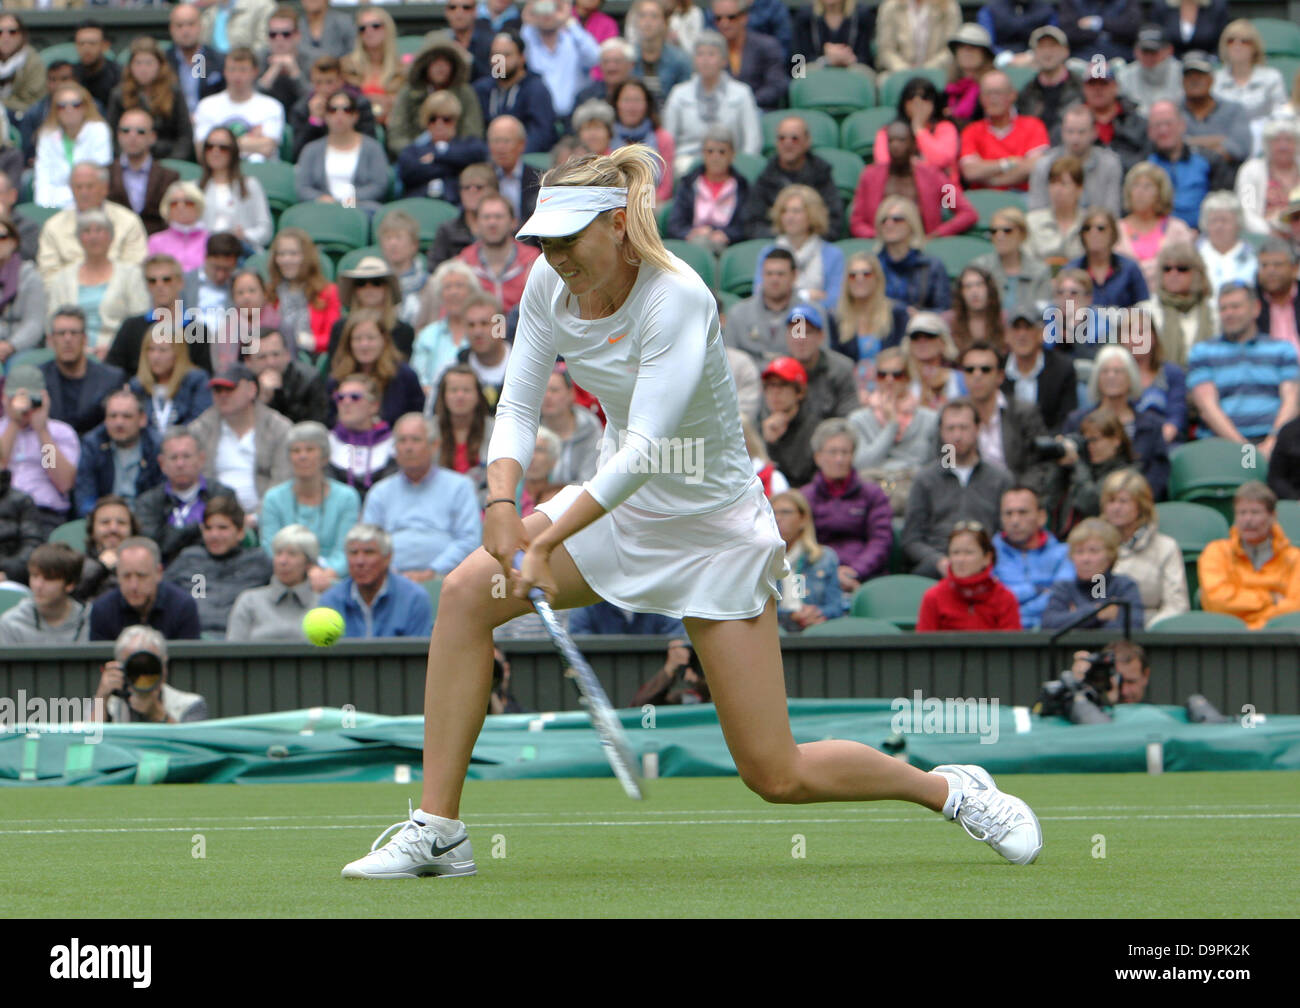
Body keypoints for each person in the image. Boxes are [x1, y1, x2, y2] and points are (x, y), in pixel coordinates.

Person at [340, 143, 1043, 880]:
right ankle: (441, 831)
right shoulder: (548, 285)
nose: (554, 255)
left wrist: (547, 541)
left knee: (777, 774)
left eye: (568, 238)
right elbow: (516, 403)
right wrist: (500, 502)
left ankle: (951, 791)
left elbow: (646, 449)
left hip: (713, 530)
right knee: (462, 596)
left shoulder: (679, 296)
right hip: (618, 512)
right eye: (542, 240)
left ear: (616, 225)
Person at [901, 398, 1014, 579]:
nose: (957, 436)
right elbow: (911, 540)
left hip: (987, 566)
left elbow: (1007, 534)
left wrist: (983, 559)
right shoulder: (926, 479)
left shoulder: (1000, 479)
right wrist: (938, 561)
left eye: (964, 427)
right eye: (950, 429)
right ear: (941, 432)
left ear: (977, 429)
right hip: (938, 566)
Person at [1188, 282, 1300, 451]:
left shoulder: (1282, 349)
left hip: (1275, 441)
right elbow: (1207, 408)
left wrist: (1272, 442)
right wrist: (1246, 450)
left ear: (1256, 308)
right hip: (1221, 443)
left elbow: (1292, 401)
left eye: (1236, 307)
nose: (1229, 313)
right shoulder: (1202, 352)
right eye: (1223, 308)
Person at [259, 420, 358, 593]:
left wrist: (325, 574)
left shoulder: (347, 497)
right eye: (296, 451)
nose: (302, 456)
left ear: (325, 457)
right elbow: (270, 547)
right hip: (286, 577)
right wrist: (304, 572)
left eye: (310, 450)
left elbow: (346, 549)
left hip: (333, 581)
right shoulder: (273, 498)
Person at [800, 418, 892, 597]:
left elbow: (881, 541)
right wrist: (827, 572)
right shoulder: (804, 497)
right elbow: (800, 543)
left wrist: (854, 571)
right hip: (815, 577)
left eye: (845, 452)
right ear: (818, 457)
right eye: (833, 452)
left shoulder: (872, 494)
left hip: (863, 577)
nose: (840, 459)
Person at [187, 363, 293, 518]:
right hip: (213, 519)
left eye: (230, 389)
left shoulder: (279, 428)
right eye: (217, 390)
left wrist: (256, 518)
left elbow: (282, 481)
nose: (223, 395)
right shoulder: (199, 430)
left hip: (267, 516)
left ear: (252, 389)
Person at [164, 493, 272, 638]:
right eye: (208, 528)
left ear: (240, 532)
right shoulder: (188, 558)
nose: (214, 535)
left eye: (222, 528)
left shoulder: (259, 562)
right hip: (192, 639)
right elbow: (163, 593)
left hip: (242, 642)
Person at [850, 120, 977, 239]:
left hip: (923, 248)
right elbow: (857, 222)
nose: (895, 145)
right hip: (880, 249)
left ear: (914, 144)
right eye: (891, 141)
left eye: (901, 140)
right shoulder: (870, 176)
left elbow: (966, 213)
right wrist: (877, 237)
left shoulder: (933, 176)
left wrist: (937, 235)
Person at [1200, 480, 1300, 628]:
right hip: (1227, 638)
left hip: (1277, 640)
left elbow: (1295, 607)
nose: (1248, 520)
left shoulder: (1294, 558)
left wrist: (1253, 624)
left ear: (1272, 516)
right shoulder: (1216, 552)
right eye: (1242, 512)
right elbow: (1216, 601)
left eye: (1255, 512)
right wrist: (1270, 598)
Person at [133, 429, 238, 567]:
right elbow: (156, 546)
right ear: (162, 464)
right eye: (174, 457)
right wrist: (196, 528)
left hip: (216, 568)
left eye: (186, 456)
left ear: (201, 459)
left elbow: (229, 541)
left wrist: (174, 536)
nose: (180, 464)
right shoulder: (147, 502)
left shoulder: (222, 495)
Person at [960, 341, 1055, 494]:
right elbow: (945, 461)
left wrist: (1020, 493)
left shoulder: (1024, 413)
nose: (977, 375)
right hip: (969, 499)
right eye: (970, 370)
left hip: (1016, 496)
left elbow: (1041, 464)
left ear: (1000, 376)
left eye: (985, 370)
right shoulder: (952, 417)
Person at [662, 30, 762, 175]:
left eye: (711, 54)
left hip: (731, 163)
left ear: (724, 60)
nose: (705, 60)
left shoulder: (742, 93)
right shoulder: (679, 93)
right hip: (686, 164)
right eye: (700, 54)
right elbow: (668, 139)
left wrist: (744, 166)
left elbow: (752, 140)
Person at [1101, 468, 1187, 628]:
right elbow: (1088, 598)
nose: (1116, 508)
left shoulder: (1166, 548)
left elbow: (1176, 605)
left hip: (1150, 633)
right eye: (1111, 501)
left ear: (1140, 506)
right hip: (1101, 631)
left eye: (1123, 501)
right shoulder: (1094, 546)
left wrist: (1148, 631)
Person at [319, 523, 434, 639]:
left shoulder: (414, 599)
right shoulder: (331, 601)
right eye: (353, 553)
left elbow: (418, 654)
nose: (360, 561)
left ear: (387, 558)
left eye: (369, 552)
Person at [37, 163, 149, 281]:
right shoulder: (53, 226)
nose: (84, 193)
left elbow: (136, 267)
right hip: (68, 295)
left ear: (105, 188)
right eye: (78, 187)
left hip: (120, 294)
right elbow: (48, 273)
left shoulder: (129, 221)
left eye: (90, 186)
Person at [743, 115, 844, 242]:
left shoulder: (821, 175)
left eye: (794, 138)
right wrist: (784, 240)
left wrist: (804, 240)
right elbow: (752, 223)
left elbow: (833, 222)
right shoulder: (766, 177)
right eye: (782, 138)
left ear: (807, 141)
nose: (787, 143)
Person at [296, 89, 390, 216]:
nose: (339, 115)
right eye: (333, 109)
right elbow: (303, 187)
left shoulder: (373, 148)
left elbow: (379, 184)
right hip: (321, 209)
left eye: (347, 110)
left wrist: (351, 200)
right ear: (326, 115)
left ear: (355, 116)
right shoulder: (311, 149)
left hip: (360, 207)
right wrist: (321, 199)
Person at [88, 536, 201, 641]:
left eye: (141, 576)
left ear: (159, 573)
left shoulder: (182, 607)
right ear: (117, 574)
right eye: (126, 576)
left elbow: (190, 661)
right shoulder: (102, 610)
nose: (134, 586)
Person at [751, 186, 843, 314]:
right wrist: (806, 296)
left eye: (796, 211)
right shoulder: (768, 253)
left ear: (812, 215)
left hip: (817, 323)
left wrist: (785, 298)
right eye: (784, 211)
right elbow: (759, 293)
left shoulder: (833, 255)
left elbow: (834, 300)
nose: (789, 217)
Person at [1040, 517, 1144, 630]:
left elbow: (1133, 628)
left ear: (1110, 556)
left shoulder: (1124, 586)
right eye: (1079, 552)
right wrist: (1096, 613)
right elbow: (1049, 625)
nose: (1085, 559)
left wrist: (1075, 618)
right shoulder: (1063, 588)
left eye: (1093, 551)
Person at [36, 306, 126, 438]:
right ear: (51, 341)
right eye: (61, 333)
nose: (68, 339)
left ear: (85, 339)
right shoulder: (38, 378)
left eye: (74, 333)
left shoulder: (111, 379)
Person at [992, 484, 1073, 629]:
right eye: (1008, 513)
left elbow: (1060, 598)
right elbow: (991, 601)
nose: (1015, 521)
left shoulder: (1065, 553)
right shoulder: (987, 555)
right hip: (1001, 638)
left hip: (1052, 636)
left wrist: (1013, 611)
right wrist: (1037, 590)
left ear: (1041, 517)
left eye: (1022, 512)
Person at [389, 37, 484, 159]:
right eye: (435, 61)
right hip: (417, 157)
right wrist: (417, 153)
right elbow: (397, 135)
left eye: (445, 61)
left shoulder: (465, 93)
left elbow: (473, 134)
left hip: (457, 159)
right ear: (425, 64)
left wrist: (446, 153)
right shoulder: (409, 93)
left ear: (453, 65)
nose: (440, 66)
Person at [917, 521, 1022, 631]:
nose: (960, 560)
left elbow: (1011, 646)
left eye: (969, 552)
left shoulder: (1005, 598)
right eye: (955, 552)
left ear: (987, 557)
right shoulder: (933, 597)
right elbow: (923, 645)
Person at [1054, 405, 1143, 533]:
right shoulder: (1081, 468)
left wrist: (1077, 463)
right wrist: (1060, 465)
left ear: (1116, 440)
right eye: (1086, 441)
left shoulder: (1128, 474)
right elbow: (1050, 503)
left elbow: (1091, 504)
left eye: (1094, 440)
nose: (1089, 446)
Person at [73, 389, 162, 517]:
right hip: (102, 520)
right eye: (113, 416)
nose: (119, 423)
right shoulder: (92, 444)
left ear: (142, 419)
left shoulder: (156, 446)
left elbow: (161, 496)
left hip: (144, 520)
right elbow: (85, 495)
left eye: (127, 416)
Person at [92, 625, 208, 724]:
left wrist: (158, 714)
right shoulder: (108, 705)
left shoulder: (189, 705)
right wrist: (101, 698)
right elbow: (85, 743)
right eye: (135, 668)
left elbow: (192, 747)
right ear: (120, 668)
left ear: (164, 668)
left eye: (149, 667)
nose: (143, 676)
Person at [1146, 100, 1232, 232]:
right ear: (1149, 132)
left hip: (1203, 235)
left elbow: (1223, 204)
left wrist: (1201, 232)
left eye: (1168, 124)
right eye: (1157, 125)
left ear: (1182, 126)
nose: (1163, 130)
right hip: (1154, 237)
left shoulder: (1209, 160)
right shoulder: (1143, 165)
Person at [328, 310, 425, 427]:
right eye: (358, 339)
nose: (364, 345)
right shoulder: (337, 378)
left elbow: (415, 417)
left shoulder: (404, 376)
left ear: (384, 340)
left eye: (371, 338)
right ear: (349, 343)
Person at [958, 70, 1050, 192]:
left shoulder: (1033, 125)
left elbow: (1034, 166)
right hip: (984, 198)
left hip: (1023, 197)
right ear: (980, 98)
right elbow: (970, 172)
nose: (992, 99)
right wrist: (1008, 163)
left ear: (1012, 95)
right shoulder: (971, 131)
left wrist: (993, 179)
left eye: (998, 93)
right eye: (987, 93)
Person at [227, 522, 321, 642]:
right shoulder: (249, 601)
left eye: (292, 554)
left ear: (309, 563)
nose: (282, 561)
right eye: (278, 553)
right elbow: (233, 650)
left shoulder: (322, 603)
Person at [1027, 104, 1124, 217]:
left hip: (1096, 230)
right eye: (1070, 131)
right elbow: (1036, 214)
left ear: (1094, 133)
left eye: (1081, 132)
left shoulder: (1110, 164)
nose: (1075, 138)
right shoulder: (1044, 165)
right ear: (1062, 132)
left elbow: (1112, 214)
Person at [395, 91, 489, 208]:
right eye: (433, 119)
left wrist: (436, 157)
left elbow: (476, 154)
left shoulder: (468, 145)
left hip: (456, 205)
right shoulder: (413, 150)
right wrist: (455, 167)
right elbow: (408, 172)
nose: (439, 124)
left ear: (455, 121)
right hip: (419, 204)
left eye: (446, 119)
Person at [106, 37, 192, 165]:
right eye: (138, 63)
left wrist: (174, 162)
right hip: (130, 160)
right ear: (130, 66)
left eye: (149, 63)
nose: (143, 69)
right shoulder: (119, 94)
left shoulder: (174, 92)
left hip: (167, 158)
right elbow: (112, 135)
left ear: (160, 65)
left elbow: (185, 136)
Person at [769, 488, 844, 633]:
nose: (777, 518)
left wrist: (817, 613)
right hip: (774, 633)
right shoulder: (762, 561)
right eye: (772, 513)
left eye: (785, 512)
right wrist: (790, 616)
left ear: (803, 519)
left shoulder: (825, 557)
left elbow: (836, 607)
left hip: (816, 632)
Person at [664, 124, 747, 252]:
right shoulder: (688, 183)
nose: (715, 157)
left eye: (722, 152)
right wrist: (690, 233)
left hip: (728, 245)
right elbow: (675, 224)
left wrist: (727, 234)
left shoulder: (742, 186)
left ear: (732, 155)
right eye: (710, 151)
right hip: (693, 243)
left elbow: (747, 225)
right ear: (703, 154)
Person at [472, 30, 557, 155]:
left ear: (522, 58)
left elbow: (541, 134)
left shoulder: (536, 89)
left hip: (525, 161)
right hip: (489, 160)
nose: (499, 61)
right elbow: (474, 133)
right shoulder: (481, 89)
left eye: (506, 55)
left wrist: (511, 155)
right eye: (495, 55)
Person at [193, 47, 285, 163]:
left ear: (255, 72)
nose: (237, 76)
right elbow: (202, 150)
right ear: (224, 71)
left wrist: (219, 145)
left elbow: (268, 147)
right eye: (232, 70)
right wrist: (252, 141)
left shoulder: (272, 106)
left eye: (243, 70)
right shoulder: (207, 105)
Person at [1135, 241, 1217, 367]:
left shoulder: (1215, 313)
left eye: (1182, 269)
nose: (1173, 274)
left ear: (1197, 273)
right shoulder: (1144, 312)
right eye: (1167, 269)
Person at [1001, 303, 1078, 434]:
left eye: (1028, 328)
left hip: (1049, 446)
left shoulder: (1062, 369)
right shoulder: (996, 368)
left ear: (1041, 333)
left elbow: (1066, 419)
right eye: (1016, 328)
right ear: (1007, 335)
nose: (1022, 335)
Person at [33, 83, 111, 211]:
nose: (69, 110)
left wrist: (62, 196)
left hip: (91, 205)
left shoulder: (99, 130)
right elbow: (42, 179)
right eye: (62, 106)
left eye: (76, 105)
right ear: (55, 111)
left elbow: (97, 178)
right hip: (52, 206)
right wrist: (45, 207)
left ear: (85, 107)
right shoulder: (46, 135)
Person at [289, 55, 379, 162]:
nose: (324, 88)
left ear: (341, 81)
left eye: (329, 82)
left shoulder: (359, 105)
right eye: (318, 82)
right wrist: (314, 121)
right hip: (318, 165)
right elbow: (297, 155)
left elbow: (369, 143)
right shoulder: (302, 109)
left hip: (354, 159)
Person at [1213, 18, 1286, 149]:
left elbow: (1280, 115)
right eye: (1231, 41)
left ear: (1255, 47)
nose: (1237, 45)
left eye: (1244, 41)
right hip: (1225, 142)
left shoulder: (1272, 77)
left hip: (1264, 141)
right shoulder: (1215, 79)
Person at [198, 127, 273, 253]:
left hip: (241, 249)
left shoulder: (250, 185)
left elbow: (265, 229)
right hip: (205, 251)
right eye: (210, 147)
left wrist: (245, 235)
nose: (215, 151)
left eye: (223, 148)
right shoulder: (195, 187)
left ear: (233, 151)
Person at [873, 76, 960, 183]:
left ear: (934, 103)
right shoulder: (888, 132)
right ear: (904, 103)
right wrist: (926, 166)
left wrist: (919, 128)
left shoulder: (946, 128)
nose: (918, 103)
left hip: (944, 194)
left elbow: (941, 160)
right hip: (903, 191)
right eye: (911, 97)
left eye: (924, 98)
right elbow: (885, 165)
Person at [269, 227, 341, 356]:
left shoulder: (328, 292)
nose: (286, 260)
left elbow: (333, 337)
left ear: (306, 257)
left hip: (311, 358)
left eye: (293, 254)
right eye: (281, 254)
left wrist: (304, 341)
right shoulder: (270, 293)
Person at [0, 542, 89, 646]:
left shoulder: (91, 621)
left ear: (70, 584)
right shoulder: (11, 623)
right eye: (34, 576)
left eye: (49, 579)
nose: (38, 585)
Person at [832, 252, 907, 374]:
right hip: (849, 387)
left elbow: (903, 357)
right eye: (852, 275)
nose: (859, 279)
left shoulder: (896, 313)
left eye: (866, 274)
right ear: (846, 282)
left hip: (889, 382)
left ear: (877, 278)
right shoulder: (836, 318)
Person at [327, 373, 398, 499]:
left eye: (355, 397)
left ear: (374, 406)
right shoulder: (327, 443)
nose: (346, 402)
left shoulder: (393, 445)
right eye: (340, 397)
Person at [329, 256, 415, 360]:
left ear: (386, 288)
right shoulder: (340, 329)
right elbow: (335, 369)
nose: (368, 288)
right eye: (361, 283)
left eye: (376, 282)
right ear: (355, 290)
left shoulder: (403, 331)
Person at [875, 196, 952, 313]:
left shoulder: (931, 266)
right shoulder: (872, 265)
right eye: (884, 220)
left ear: (911, 224)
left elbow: (944, 310)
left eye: (897, 219)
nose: (889, 224)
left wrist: (919, 316)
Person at [1180, 49, 1252, 170]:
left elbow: (1239, 149)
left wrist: (1188, 143)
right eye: (1189, 76)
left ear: (1211, 80)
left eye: (1200, 75)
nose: (1194, 80)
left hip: (1224, 176)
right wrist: (1218, 140)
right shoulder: (1172, 111)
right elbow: (1168, 148)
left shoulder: (1234, 110)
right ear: (1182, 81)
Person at [1065, 206, 1149, 309]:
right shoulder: (1071, 270)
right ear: (1082, 235)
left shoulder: (1130, 269)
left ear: (1113, 233)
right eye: (1087, 228)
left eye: (1100, 228)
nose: (1093, 233)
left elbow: (1144, 307)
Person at [723, 247, 797, 362]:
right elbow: (729, 361)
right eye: (769, 274)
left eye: (780, 274)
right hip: (750, 377)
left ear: (794, 275)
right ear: (761, 275)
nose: (774, 279)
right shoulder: (738, 314)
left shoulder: (811, 313)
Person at [972, 205, 1052, 311]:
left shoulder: (1040, 271)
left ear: (1022, 234)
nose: (999, 236)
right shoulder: (979, 269)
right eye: (994, 231)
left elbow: (1043, 311)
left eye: (1007, 230)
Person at [433, 365, 495, 497]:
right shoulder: (428, 431)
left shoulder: (496, 432)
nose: (460, 396)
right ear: (443, 396)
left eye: (466, 390)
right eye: (454, 390)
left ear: (478, 395)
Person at [1080, 62, 1150, 175]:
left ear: (1115, 86)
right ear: (1084, 88)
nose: (1098, 89)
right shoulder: (1071, 123)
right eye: (1092, 84)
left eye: (1103, 83)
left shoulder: (1138, 123)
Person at [248, 328, 328, 426]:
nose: (271, 362)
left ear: (287, 355)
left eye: (276, 354)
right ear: (248, 361)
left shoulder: (309, 379)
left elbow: (318, 425)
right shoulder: (241, 385)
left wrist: (280, 395)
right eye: (262, 357)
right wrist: (263, 399)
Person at [1236, 118, 1300, 238]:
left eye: (1289, 140)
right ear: (1266, 144)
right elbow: (1245, 211)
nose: (1283, 146)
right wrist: (1269, 233)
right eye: (1276, 140)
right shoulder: (1250, 170)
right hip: (1265, 237)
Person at [341, 5, 403, 127]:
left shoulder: (402, 69)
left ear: (387, 29)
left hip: (391, 125)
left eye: (375, 26)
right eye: (362, 28)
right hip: (357, 125)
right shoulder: (346, 66)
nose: (369, 31)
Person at [1016, 26, 1081, 141]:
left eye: (1053, 46)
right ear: (1034, 53)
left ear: (1066, 51)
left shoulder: (1081, 88)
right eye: (1041, 47)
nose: (1047, 52)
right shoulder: (1026, 93)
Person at [167, 3, 227, 121]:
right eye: (179, 25)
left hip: (211, 123)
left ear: (201, 26)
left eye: (191, 24)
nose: (185, 30)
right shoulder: (163, 61)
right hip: (173, 126)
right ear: (171, 29)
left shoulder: (218, 61)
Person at [875, 0, 961, 82]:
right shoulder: (890, 6)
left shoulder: (949, 6)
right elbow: (885, 50)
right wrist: (904, 69)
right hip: (899, 71)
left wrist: (925, 69)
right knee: (884, 81)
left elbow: (950, 49)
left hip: (937, 70)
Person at [74, 493, 138, 603]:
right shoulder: (78, 563)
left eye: (121, 523)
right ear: (92, 530)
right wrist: (101, 566)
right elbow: (74, 593)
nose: (113, 529)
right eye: (105, 522)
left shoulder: (144, 564)